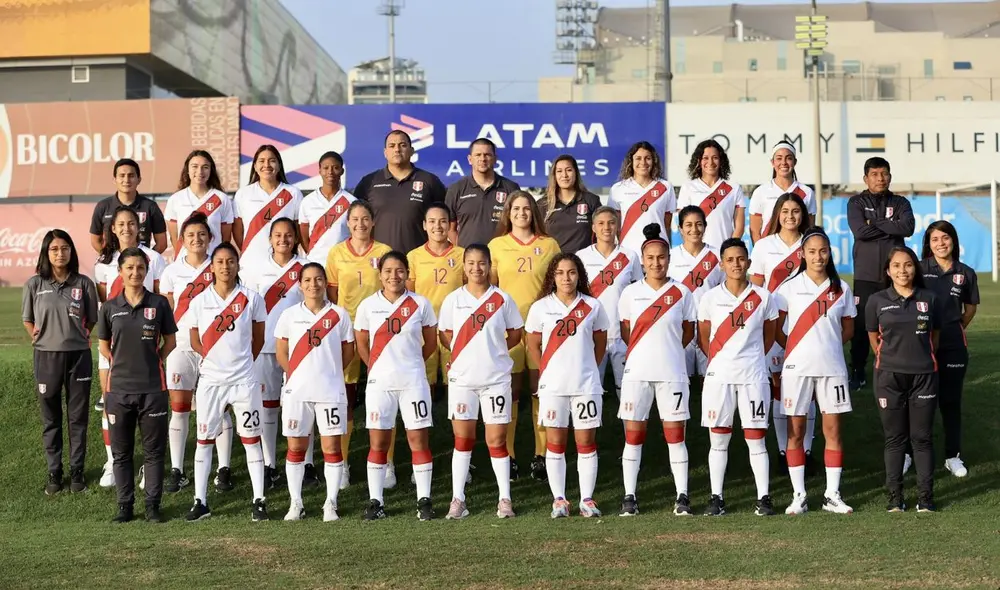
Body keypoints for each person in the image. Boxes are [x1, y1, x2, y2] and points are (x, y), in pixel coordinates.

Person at [184, 243, 269, 521]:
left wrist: (240, 363)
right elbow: (196, 340)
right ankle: (200, 501)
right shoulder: (199, 301)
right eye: (219, 262)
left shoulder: (252, 299)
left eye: (230, 261)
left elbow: (258, 340)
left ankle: (259, 501)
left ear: (237, 265)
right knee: (204, 441)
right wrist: (215, 361)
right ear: (212, 267)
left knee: (251, 440)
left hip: (244, 381)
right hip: (211, 382)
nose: (225, 266)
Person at [437, 244, 524, 519]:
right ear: (464, 266)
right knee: (463, 439)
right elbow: (444, 334)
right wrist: (465, 353)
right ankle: (458, 500)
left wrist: (492, 351)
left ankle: (504, 499)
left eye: (482, 263)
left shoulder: (502, 299)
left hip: (496, 379)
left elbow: (515, 333)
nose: (477, 268)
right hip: (462, 381)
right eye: (471, 263)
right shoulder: (453, 300)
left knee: (496, 440)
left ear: (490, 265)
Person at [617, 224, 697, 517]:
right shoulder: (629, 293)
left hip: (672, 374)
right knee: (633, 437)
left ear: (668, 258)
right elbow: (627, 332)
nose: (656, 263)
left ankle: (682, 496)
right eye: (650, 258)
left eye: (661, 257)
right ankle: (629, 497)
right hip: (637, 374)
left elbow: (688, 332)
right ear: (642, 260)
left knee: (676, 436)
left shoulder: (683, 293)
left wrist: (669, 352)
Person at [775, 227, 857, 515]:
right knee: (795, 432)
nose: (818, 256)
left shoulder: (841, 289)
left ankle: (832, 494)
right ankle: (799, 495)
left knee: (832, 431)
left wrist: (826, 346)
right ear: (802, 254)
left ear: (830, 252)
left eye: (823, 251)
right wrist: (799, 349)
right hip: (797, 370)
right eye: (812, 251)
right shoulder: (788, 288)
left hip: (832, 368)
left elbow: (848, 329)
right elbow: (776, 329)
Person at [354, 252, 439, 521]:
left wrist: (409, 363)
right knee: (378, 442)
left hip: (413, 381)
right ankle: (376, 501)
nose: (394, 276)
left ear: (407, 273)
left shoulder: (421, 304)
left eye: (399, 270)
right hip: (380, 384)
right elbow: (362, 344)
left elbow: (430, 343)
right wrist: (378, 367)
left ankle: (424, 500)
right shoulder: (367, 306)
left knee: (418, 440)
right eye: (388, 271)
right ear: (380, 275)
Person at [697, 238, 778, 517]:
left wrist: (750, 359)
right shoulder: (709, 298)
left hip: (753, 376)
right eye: (730, 259)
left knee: (756, 438)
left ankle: (763, 498)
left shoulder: (764, 297)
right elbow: (703, 337)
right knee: (718, 438)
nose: (736, 264)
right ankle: (716, 497)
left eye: (741, 259)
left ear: (749, 262)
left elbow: (769, 335)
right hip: (719, 377)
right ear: (721, 264)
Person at [525, 254, 610, 518]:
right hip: (553, 387)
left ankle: (587, 499)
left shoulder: (593, 306)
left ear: (579, 275)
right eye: (560, 273)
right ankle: (559, 500)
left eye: (571, 272)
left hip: (586, 385)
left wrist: (587, 369)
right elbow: (531, 345)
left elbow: (600, 344)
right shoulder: (540, 307)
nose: (566, 278)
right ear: (552, 276)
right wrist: (546, 371)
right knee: (555, 443)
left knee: (586, 442)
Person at [97, 247, 177, 522]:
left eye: (140, 268)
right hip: (118, 391)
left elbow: (171, 341)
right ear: (120, 272)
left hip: (154, 389)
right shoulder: (109, 308)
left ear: (147, 271)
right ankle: (125, 506)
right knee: (122, 454)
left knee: (154, 452)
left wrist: (155, 358)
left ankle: (153, 505)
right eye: (129, 268)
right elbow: (104, 347)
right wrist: (123, 363)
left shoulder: (159, 304)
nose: (135, 272)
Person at [488, 191, 561, 482]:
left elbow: (558, 286)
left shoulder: (549, 244)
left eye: (527, 208)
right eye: (516, 208)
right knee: (510, 393)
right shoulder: (497, 245)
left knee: (539, 391)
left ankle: (541, 456)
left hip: (542, 329)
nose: (521, 213)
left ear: (534, 212)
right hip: (509, 328)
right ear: (508, 212)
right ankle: (510, 457)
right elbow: (491, 291)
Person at [866, 246, 944, 513]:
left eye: (908, 265)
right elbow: (874, 339)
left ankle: (925, 497)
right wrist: (893, 359)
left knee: (922, 438)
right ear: (888, 271)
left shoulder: (930, 299)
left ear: (915, 268)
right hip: (888, 377)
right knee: (895, 438)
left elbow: (934, 337)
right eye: (897, 266)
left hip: (924, 376)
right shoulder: (876, 301)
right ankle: (895, 497)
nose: (903, 270)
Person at [274, 263, 355, 521]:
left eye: (318, 279)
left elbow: (348, 352)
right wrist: (297, 375)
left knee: (332, 447)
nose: (313, 285)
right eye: (307, 280)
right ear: (300, 284)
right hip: (297, 392)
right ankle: (295, 503)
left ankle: (330, 503)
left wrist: (328, 372)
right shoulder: (289, 315)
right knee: (296, 447)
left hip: (330, 392)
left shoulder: (339, 315)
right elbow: (281, 352)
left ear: (325, 282)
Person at [159, 213, 232, 493]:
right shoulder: (171, 272)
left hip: (215, 348)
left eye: (202, 234)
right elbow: (167, 313)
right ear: (182, 240)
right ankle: (178, 469)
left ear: (211, 238)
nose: (196, 239)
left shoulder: (220, 267)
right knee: (179, 408)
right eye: (190, 235)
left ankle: (223, 469)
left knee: (220, 409)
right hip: (181, 347)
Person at [94, 206, 166, 488]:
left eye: (131, 224)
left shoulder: (155, 259)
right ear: (113, 228)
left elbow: (160, 299)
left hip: (146, 341)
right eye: (120, 224)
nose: (126, 228)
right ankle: (112, 462)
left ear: (140, 227)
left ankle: (149, 468)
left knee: (149, 407)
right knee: (109, 401)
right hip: (114, 342)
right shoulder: (102, 263)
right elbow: (104, 304)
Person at [23, 230, 98, 495]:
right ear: (46, 252)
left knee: (77, 418)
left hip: (78, 357)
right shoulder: (35, 284)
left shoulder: (84, 283)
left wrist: (77, 336)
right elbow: (27, 319)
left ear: (71, 252)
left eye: (65, 248)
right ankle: (55, 472)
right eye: (54, 249)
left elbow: (91, 318)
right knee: (51, 419)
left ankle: (77, 471)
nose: (60, 253)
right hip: (46, 357)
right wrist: (35, 333)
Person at [325, 201, 393, 488]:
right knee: (346, 399)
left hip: (381, 333)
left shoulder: (385, 251)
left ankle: (386, 463)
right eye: (355, 219)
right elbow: (331, 296)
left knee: (386, 397)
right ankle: (340, 464)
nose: (360, 224)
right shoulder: (336, 253)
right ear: (348, 223)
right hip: (347, 332)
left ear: (373, 221)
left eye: (366, 218)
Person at [748, 194, 814, 472]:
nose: (790, 216)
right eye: (785, 211)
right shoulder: (763, 246)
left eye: (796, 211)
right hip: (774, 324)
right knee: (778, 389)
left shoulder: (811, 244)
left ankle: (807, 451)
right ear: (777, 214)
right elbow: (756, 289)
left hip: (807, 325)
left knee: (807, 391)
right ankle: (782, 451)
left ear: (804, 214)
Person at [242, 217, 308, 489]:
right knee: (269, 406)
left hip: (300, 348)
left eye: (289, 235)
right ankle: (270, 464)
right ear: (269, 239)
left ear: (295, 238)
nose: (283, 240)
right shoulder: (256, 269)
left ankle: (307, 463)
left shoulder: (304, 267)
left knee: (305, 405)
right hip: (266, 347)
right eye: (277, 235)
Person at [847, 157, 915, 391]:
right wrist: (889, 224)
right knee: (862, 324)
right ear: (866, 178)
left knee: (897, 321)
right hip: (865, 276)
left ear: (890, 176)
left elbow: (907, 228)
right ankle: (857, 369)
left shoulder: (900, 202)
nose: (880, 178)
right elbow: (860, 231)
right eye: (874, 174)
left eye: (884, 173)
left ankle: (896, 365)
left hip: (894, 275)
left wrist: (874, 222)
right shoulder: (856, 202)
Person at [919, 220, 978, 478]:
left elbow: (970, 308)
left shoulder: (965, 272)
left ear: (953, 240)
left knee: (950, 401)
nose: (940, 243)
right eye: (935, 239)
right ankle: (912, 454)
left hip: (953, 344)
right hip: (920, 344)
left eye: (945, 238)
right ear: (928, 244)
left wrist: (954, 326)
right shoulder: (918, 269)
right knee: (919, 403)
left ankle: (952, 456)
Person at [576, 207, 642, 398]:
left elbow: (637, 294)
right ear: (593, 227)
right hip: (592, 334)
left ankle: (629, 428)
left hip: (622, 333)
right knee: (590, 390)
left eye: (612, 223)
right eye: (601, 223)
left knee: (628, 392)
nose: (607, 227)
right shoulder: (582, 257)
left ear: (618, 226)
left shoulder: (630, 256)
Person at [353, 130, 447, 254]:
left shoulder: (429, 181)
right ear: (385, 152)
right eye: (392, 146)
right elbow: (355, 221)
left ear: (412, 150)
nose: (397, 149)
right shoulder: (369, 182)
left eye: (402, 145)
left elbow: (446, 220)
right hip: (378, 261)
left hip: (419, 262)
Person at [407, 203, 465, 400]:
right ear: (424, 225)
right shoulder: (414, 256)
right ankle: (426, 418)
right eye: (432, 221)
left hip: (455, 325)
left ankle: (457, 420)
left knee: (456, 377)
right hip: (425, 326)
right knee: (424, 377)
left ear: (450, 225)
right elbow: (409, 294)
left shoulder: (462, 255)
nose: (437, 226)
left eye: (442, 221)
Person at [668, 206, 723, 379]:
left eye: (699, 224)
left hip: (710, 324)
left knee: (710, 377)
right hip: (681, 324)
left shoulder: (717, 256)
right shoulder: (670, 256)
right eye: (689, 225)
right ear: (680, 228)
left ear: (705, 227)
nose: (694, 229)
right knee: (681, 377)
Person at [233, 144, 303, 265]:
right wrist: (251, 249)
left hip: (284, 264)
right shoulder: (243, 194)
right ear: (255, 166)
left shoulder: (293, 193)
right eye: (261, 161)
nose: (267, 165)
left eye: (272, 161)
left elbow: (299, 231)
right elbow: (238, 231)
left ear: (279, 165)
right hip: (251, 263)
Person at [444, 138, 521, 247]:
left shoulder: (511, 188)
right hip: (469, 261)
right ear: (470, 159)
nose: (482, 159)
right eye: (478, 155)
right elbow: (450, 229)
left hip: (502, 258)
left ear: (495, 159)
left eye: (487, 155)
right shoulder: (456, 189)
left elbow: (518, 226)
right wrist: (463, 250)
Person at [607, 141, 676, 255]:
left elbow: (667, 224)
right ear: (631, 161)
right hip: (628, 253)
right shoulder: (618, 189)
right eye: (638, 158)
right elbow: (616, 226)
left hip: (657, 253)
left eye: (647, 158)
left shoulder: (665, 187)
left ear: (654, 160)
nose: (643, 162)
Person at [164, 150, 234, 260]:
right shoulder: (176, 199)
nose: (200, 171)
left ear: (211, 170)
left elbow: (226, 237)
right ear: (187, 169)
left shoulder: (221, 199)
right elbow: (174, 237)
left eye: (205, 167)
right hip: (184, 262)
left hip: (213, 262)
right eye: (194, 166)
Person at [678, 139, 747, 249]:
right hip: (698, 254)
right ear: (699, 161)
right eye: (705, 158)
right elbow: (684, 225)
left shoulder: (733, 188)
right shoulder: (688, 187)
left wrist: (729, 250)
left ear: (721, 161)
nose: (710, 162)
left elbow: (739, 227)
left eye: (715, 158)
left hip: (724, 254)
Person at [89, 158, 167, 254]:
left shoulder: (150, 206)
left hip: (140, 266)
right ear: (114, 180)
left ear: (139, 179)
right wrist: (110, 259)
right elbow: (95, 240)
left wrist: (145, 260)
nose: (126, 180)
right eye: (122, 176)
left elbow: (162, 243)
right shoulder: (103, 206)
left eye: (131, 176)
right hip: (112, 266)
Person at [748, 142, 816, 243]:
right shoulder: (761, 192)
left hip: (796, 252)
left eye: (788, 158)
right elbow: (754, 230)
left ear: (795, 162)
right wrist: (760, 252)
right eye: (779, 158)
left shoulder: (807, 192)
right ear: (772, 162)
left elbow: (809, 228)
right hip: (769, 251)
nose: (783, 162)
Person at [299, 151, 357, 266]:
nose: (330, 172)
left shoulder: (351, 202)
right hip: (315, 264)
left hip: (343, 265)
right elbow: (303, 236)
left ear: (342, 171)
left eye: (335, 168)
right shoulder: (308, 201)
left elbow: (356, 235)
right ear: (319, 171)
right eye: (326, 168)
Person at [537, 154, 602, 254]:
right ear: (554, 175)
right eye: (559, 171)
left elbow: (601, 235)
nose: (564, 175)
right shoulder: (542, 204)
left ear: (576, 173)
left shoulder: (591, 201)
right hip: (553, 265)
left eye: (569, 170)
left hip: (584, 265)